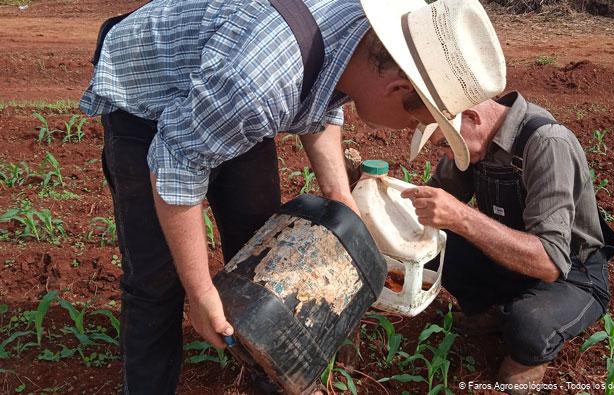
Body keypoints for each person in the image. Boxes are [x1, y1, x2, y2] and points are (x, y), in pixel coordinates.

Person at [80, 0, 506, 392]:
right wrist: (200, 290)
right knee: (158, 281)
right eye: (418, 120)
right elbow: (175, 164)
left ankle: (268, 376)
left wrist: (339, 194)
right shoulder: (257, 83)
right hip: (151, 95)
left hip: (223, 93)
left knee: (259, 243)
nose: (410, 131)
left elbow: (326, 99)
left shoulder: (362, 45)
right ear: (396, 87)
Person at [402, 91, 614, 393]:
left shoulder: (546, 143)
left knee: (528, 326)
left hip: (571, 273)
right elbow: (433, 200)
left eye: (446, 144)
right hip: (509, 260)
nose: (449, 155)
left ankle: (528, 349)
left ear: (472, 117)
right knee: (427, 242)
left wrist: (462, 217)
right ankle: (493, 309)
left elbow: (549, 262)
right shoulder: (473, 144)